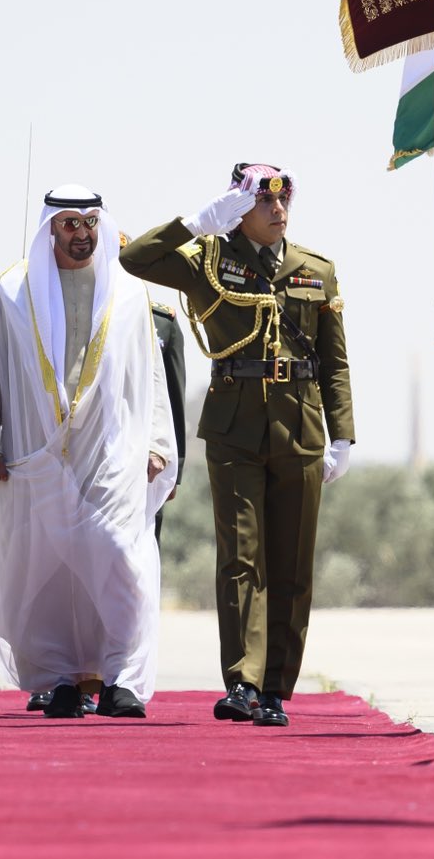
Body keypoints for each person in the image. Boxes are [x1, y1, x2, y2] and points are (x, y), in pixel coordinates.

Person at [121, 164, 355, 728]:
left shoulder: (314, 269)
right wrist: (196, 222)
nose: (278, 210)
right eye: (263, 202)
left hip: (299, 424)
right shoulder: (206, 259)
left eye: (284, 201)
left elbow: (335, 360)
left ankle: (277, 686)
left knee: (292, 563)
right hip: (233, 425)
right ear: (237, 206)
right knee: (240, 557)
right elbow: (135, 259)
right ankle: (244, 683)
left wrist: (343, 433)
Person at [0, 186, 177, 719]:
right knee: (46, 566)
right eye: (69, 225)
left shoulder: (128, 292)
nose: (82, 234)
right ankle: (58, 678)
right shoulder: (14, 290)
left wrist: (156, 441)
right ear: (50, 229)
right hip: (37, 448)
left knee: (119, 556)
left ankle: (121, 678)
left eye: (89, 224)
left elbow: (151, 373)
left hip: (114, 447)